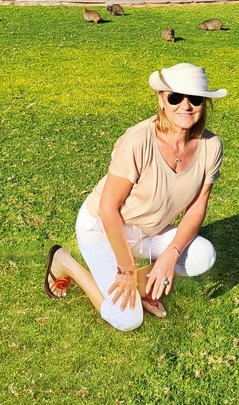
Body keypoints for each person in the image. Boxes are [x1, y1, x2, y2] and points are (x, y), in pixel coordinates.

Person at [44, 62, 227, 331]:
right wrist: (127, 270)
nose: (186, 105)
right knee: (128, 319)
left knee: (204, 255)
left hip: (150, 231)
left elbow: (197, 209)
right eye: (176, 97)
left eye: (195, 98)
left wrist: (168, 258)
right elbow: (108, 207)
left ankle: (142, 285)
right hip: (103, 227)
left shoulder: (211, 147)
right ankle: (66, 263)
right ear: (162, 100)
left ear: (204, 104)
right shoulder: (138, 140)